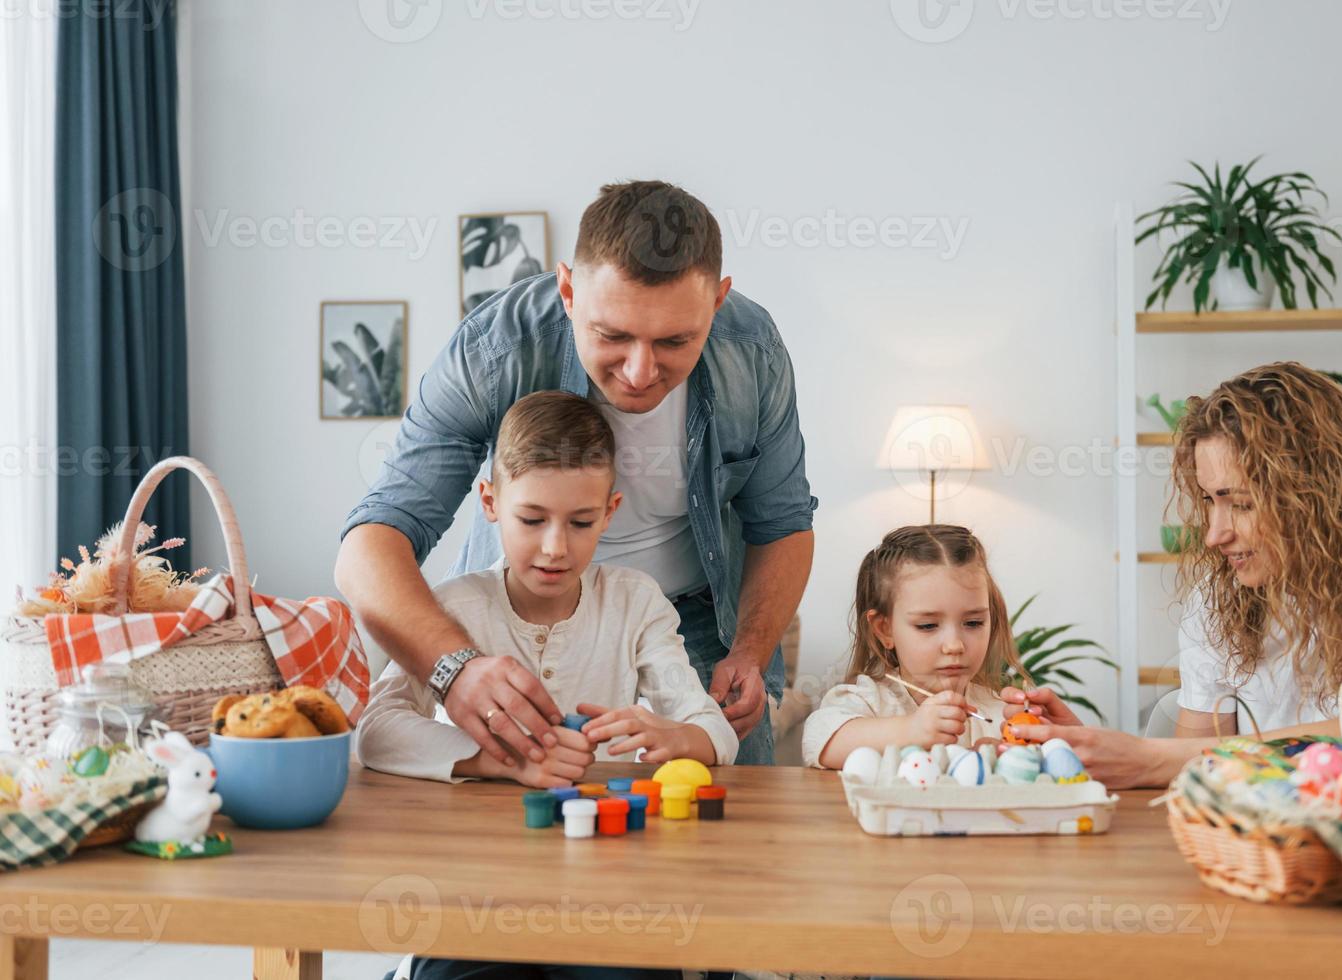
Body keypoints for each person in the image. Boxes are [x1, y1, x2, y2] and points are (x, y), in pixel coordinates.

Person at [335, 181, 816, 769]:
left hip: (700, 623)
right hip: (512, 621)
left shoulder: (753, 351)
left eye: (674, 341)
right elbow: (372, 542)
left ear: (716, 303)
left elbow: (783, 523)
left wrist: (751, 649)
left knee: (730, 826)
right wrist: (456, 668)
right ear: (568, 290)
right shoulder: (496, 349)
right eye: (612, 335)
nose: (640, 372)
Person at [1007, 363, 1342, 788]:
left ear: (1318, 496)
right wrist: (1087, 753)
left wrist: (1152, 758)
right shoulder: (1220, 600)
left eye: (1242, 504)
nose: (1214, 535)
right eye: (1210, 500)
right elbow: (1194, 777)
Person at [354, 391, 738, 789]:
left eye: (581, 523)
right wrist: (502, 761)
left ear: (609, 511)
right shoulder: (452, 608)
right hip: (470, 837)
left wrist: (680, 736)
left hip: (596, 830)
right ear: (491, 502)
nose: (555, 548)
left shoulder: (636, 603)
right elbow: (375, 729)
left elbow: (714, 729)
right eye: (532, 520)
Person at [802, 525, 1032, 769]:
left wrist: (1016, 759)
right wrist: (912, 729)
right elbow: (820, 741)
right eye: (928, 625)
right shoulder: (868, 702)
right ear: (884, 629)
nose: (954, 645)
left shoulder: (1000, 713)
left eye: (973, 623)